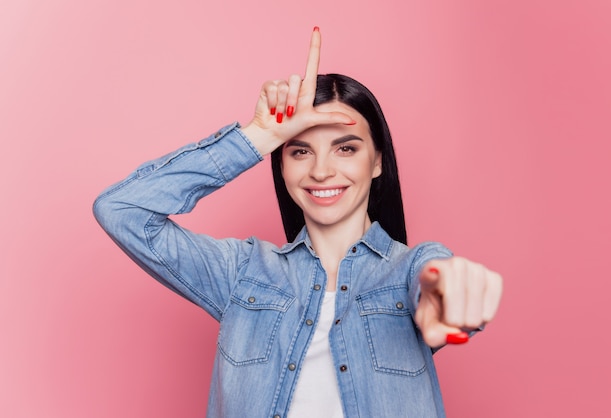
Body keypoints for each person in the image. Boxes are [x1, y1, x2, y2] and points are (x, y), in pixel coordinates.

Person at [93, 27, 502, 418]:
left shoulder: (409, 271)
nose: (322, 171)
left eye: (345, 148)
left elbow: (434, 276)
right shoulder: (242, 274)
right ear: (282, 165)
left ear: (377, 161)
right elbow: (122, 210)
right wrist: (257, 136)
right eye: (300, 151)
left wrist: (449, 287)